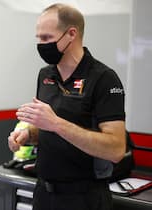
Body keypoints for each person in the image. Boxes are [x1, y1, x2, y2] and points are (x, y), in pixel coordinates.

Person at [8, 3, 126, 210]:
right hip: (44, 193)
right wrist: (29, 135)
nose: (41, 44)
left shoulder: (104, 78)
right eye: (38, 38)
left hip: (84, 198)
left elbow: (116, 149)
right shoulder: (46, 75)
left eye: (46, 38)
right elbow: (47, 127)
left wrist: (56, 123)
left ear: (71, 34)